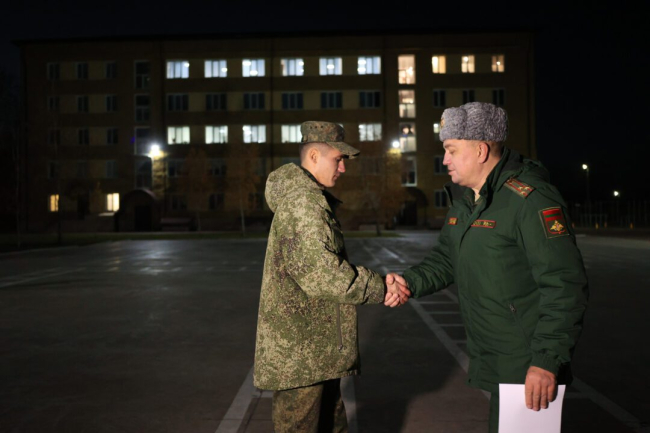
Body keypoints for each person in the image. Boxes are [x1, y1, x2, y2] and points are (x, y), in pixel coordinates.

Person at [390, 102, 589, 432]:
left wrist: (546, 361)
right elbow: (446, 259)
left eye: (452, 150)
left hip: (527, 363)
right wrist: (408, 282)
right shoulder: (467, 200)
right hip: (497, 356)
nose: (445, 160)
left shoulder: (531, 200)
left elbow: (564, 285)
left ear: (481, 150)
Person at [254, 120, 404, 433]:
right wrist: (380, 287)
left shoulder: (309, 200)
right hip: (302, 359)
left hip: (314, 353)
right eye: (338, 159)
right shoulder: (303, 203)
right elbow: (323, 276)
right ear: (313, 157)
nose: (343, 168)